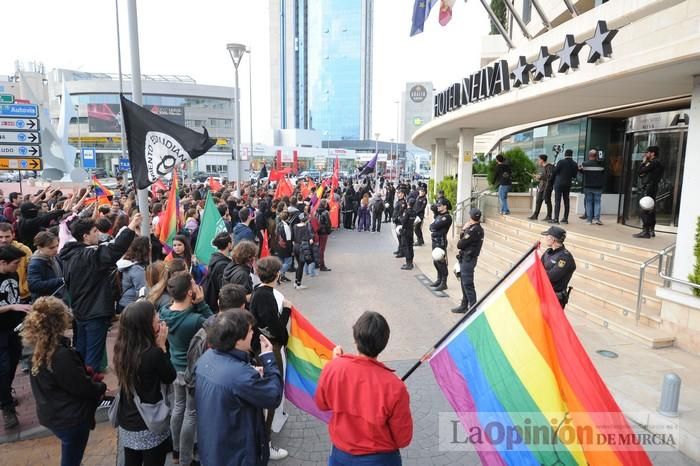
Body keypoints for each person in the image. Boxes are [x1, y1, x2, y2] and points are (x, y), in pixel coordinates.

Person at [315, 311, 412, 465]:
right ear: (384, 343)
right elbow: (403, 439)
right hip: (380, 459)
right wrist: (396, 389)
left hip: (341, 456)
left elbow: (322, 404)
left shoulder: (333, 367)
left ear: (355, 339)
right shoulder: (395, 387)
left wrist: (334, 364)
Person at [23, 297, 106, 466]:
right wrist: (99, 387)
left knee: (72, 455)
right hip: (70, 419)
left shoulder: (39, 348)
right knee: (71, 460)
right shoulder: (59, 355)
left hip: (53, 414)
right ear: (60, 321)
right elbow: (81, 387)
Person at [195, 310, 283, 466]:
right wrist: (268, 358)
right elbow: (273, 395)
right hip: (238, 454)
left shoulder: (206, 358)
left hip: (213, 447)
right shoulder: (240, 376)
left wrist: (249, 373)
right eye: (249, 331)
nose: (253, 334)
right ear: (236, 341)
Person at [60, 213, 140, 372]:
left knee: (81, 351)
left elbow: (108, 246)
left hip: (81, 310)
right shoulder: (87, 255)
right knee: (93, 357)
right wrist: (130, 227)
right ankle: (91, 389)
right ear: (85, 236)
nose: (99, 234)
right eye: (95, 231)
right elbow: (113, 249)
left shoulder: (70, 254)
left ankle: (82, 384)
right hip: (94, 312)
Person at [113, 300, 176, 466]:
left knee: (131, 461)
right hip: (149, 422)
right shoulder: (153, 354)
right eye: (155, 317)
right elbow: (169, 376)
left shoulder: (121, 349)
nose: (159, 318)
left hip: (127, 419)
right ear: (145, 325)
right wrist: (163, 347)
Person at [159, 272, 213, 466]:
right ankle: (186, 458)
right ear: (190, 292)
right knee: (191, 413)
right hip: (191, 370)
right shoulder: (195, 319)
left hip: (175, 367)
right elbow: (215, 324)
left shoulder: (164, 311)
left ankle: (176, 450)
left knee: (178, 407)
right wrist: (202, 303)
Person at [248, 257, 291, 460]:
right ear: (277, 275)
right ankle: (267, 444)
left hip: (260, 346)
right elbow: (275, 329)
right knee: (273, 391)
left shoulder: (258, 290)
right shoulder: (266, 297)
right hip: (269, 349)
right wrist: (288, 311)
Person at [0, 245, 31, 429]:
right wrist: (12, 307)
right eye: (15, 263)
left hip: (15, 328)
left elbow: (14, 298)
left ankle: (5, 393)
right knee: (3, 367)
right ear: (3, 262)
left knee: (12, 365)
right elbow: (11, 304)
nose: (18, 266)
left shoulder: (13, 275)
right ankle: (7, 407)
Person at [453, 208, 484, 314]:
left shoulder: (472, 230)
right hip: (468, 259)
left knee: (467, 284)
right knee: (463, 282)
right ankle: (464, 305)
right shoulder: (479, 228)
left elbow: (460, 244)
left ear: (471, 217)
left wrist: (463, 229)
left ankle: (473, 308)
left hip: (468, 260)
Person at [541, 226, 577, 308]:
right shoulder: (548, 252)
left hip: (554, 299)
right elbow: (538, 268)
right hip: (544, 294)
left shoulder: (565, 257)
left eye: (547, 236)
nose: (545, 238)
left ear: (552, 239)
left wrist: (541, 272)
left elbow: (551, 277)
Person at [0, 222, 33, 303]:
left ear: (13, 235)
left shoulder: (24, 250)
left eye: (7, 236)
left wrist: (24, 288)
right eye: (0, 237)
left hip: (23, 296)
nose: (4, 240)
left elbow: (32, 271)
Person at [117, 236, 151, 312]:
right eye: (149, 246)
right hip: (132, 306)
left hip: (125, 303)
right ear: (146, 250)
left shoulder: (128, 263)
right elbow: (142, 290)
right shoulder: (137, 269)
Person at [203, 231, 233, 313]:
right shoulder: (223, 265)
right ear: (229, 244)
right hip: (217, 306)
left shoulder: (215, 258)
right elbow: (223, 288)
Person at [428, 198, 452, 292]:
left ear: (445, 206)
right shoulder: (439, 216)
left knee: (441, 262)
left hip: (440, 241)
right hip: (435, 240)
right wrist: (433, 226)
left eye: (440, 205)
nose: (438, 207)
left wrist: (433, 227)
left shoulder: (446, 217)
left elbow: (433, 226)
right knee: (435, 261)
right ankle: (439, 279)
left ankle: (444, 282)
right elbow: (432, 226)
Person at [550, 149, 579, 224]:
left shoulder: (561, 162)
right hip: (568, 184)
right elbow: (574, 175)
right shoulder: (574, 164)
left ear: (565, 154)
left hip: (559, 184)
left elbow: (555, 172)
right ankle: (565, 219)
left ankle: (556, 219)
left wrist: (553, 167)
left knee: (557, 201)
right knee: (566, 201)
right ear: (571, 155)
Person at [580, 149, 606, 225]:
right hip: (598, 187)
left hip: (588, 186)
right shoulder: (601, 164)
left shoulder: (584, 164)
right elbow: (603, 173)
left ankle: (589, 220)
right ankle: (596, 219)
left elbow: (582, 172)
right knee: (597, 202)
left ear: (589, 155)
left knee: (588, 203)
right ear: (596, 156)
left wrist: (580, 169)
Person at [292, 212, 313, 290]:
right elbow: (310, 240)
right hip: (302, 248)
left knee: (298, 265)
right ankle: (298, 284)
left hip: (295, 247)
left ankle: (296, 281)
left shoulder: (294, 226)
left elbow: (292, 238)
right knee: (301, 266)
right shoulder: (305, 228)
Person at [529, 154, 554, 221]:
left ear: (542, 160)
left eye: (539, 159)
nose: (538, 161)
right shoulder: (542, 167)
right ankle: (535, 215)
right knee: (538, 201)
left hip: (547, 187)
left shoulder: (549, 166)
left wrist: (540, 177)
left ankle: (549, 216)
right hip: (541, 187)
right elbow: (543, 177)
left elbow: (549, 177)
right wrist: (538, 178)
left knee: (547, 201)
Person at [274, 211, 294, 283]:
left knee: (282, 262)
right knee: (288, 262)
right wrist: (291, 250)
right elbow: (288, 240)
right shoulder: (286, 227)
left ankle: (282, 276)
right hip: (285, 247)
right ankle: (279, 274)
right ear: (288, 217)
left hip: (279, 246)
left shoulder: (279, 224)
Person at [399, 197, 417, 270]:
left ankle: (408, 263)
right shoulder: (414, 212)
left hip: (405, 231)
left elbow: (403, 221)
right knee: (410, 246)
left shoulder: (407, 212)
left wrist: (401, 217)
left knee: (406, 247)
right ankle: (411, 262)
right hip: (411, 230)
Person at [315, 199, 332, 271]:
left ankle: (317, 263)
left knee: (318, 248)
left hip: (317, 231)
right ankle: (322, 265)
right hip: (323, 232)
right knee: (322, 249)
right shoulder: (325, 212)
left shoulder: (316, 211)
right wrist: (328, 231)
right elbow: (328, 223)